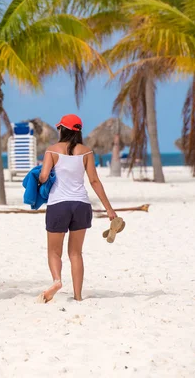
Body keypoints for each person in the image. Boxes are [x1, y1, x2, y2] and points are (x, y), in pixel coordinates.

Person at [38, 114, 117, 302]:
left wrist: (41, 179)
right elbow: (94, 181)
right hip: (81, 205)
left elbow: (43, 176)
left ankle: (57, 280)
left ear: (62, 129)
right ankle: (78, 296)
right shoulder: (87, 152)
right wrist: (109, 209)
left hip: (58, 205)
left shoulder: (52, 150)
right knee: (76, 253)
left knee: (54, 251)